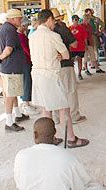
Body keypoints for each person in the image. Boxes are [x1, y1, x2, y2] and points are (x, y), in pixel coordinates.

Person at [14, 117, 105, 190]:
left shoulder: (21, 156)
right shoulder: (67, 158)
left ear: (35, 135)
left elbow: (19, 185)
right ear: (55, 134)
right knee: (97, 189)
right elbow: (80, 188)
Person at [29, 9, 89, 148]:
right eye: (53, 21)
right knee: (64, 108)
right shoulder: (52, 35)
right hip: (51, 76)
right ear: (49, 19)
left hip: (37, 75)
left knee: (46, 109)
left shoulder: (32, 35)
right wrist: (61, 56)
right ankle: (72, 139)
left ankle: (49, 139)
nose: (54, 24)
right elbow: (66, 54)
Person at [51, 8, 86, 124]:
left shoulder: (45, 31)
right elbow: (74, 44)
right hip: (65, 63)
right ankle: (74, 116)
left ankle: (56, 118)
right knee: (70, 90)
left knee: (56, 91)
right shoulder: (63, 29)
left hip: (52, 65)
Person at [0, 9, 29, 132]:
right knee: (10, 94)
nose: (21, 21)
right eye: (19, 18)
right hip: (11, 67)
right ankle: (9, 122)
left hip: (7, 67)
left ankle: (18, 114)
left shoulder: (2, 29)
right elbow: (9, 49)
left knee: (11, 92)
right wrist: (0, 58)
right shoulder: (10, 30)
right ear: (13, 19)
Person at [18, 17, 39, 116]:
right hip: (25, 61)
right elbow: (26, 49)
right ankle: (26, 104)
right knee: (27, 82)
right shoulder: (20, 36)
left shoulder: (21, 35)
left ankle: (27, 103)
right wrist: (32, 58)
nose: (27, 28)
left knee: (27, 81)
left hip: (25, 61)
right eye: (26, 26)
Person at [69, 14, 87, 80]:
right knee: (72, 61)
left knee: (80, 59)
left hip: (81, 46)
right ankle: (72, 74)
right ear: (72, 20)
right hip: (72, 48)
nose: (77, 21)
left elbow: (85, 38)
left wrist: (86, 45)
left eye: (78, 19)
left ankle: (79, 73)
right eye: (76, 19)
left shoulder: (82, 28)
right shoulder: (69, 28)